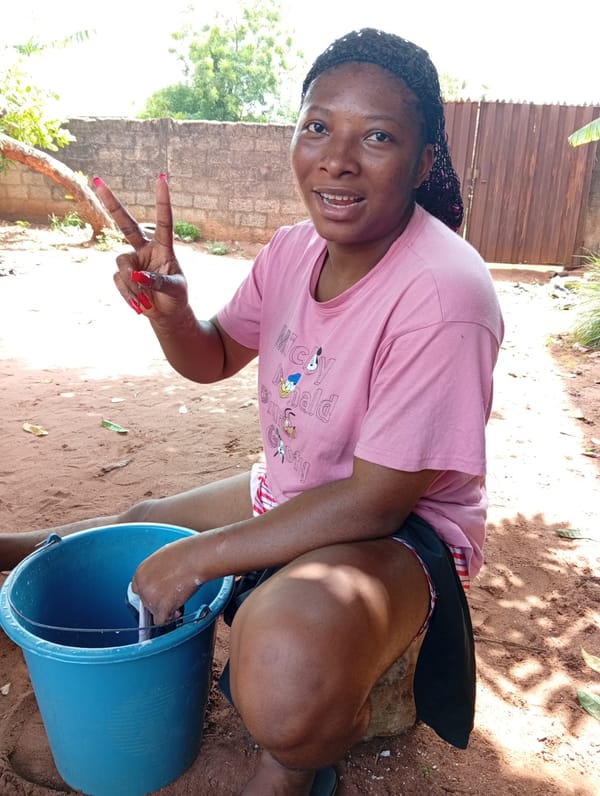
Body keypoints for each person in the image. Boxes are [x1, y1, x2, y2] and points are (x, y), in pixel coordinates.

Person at [1, 28, 504, 796]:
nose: (337, 158)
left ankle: (292, 766)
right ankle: (19, 555)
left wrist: (201, 557)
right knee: (144, 516)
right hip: (297, 487)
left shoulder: (444, 295)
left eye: (377, 136)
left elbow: (379, 498)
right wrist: (170, 308)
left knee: (280, 659)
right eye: (317, 126)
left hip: (404, 530)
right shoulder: (292, 250)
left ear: (425, 160)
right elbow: (210, 359)